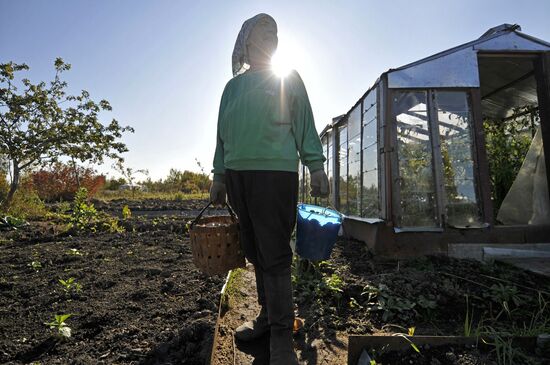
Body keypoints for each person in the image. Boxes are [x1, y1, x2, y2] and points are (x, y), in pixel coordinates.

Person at [210, 13, 329, 364]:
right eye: (263, 33)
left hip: (274, 175)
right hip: (238, 177)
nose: (271, 39)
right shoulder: (232, 88)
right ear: (246, 42)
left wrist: (316, 166)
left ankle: (281, 334)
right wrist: (218, 176)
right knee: (255, 250)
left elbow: (304, 124)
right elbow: (221, 135)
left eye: (275, 34)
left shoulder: (288, 78)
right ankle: (266, 317)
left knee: (275, 251)